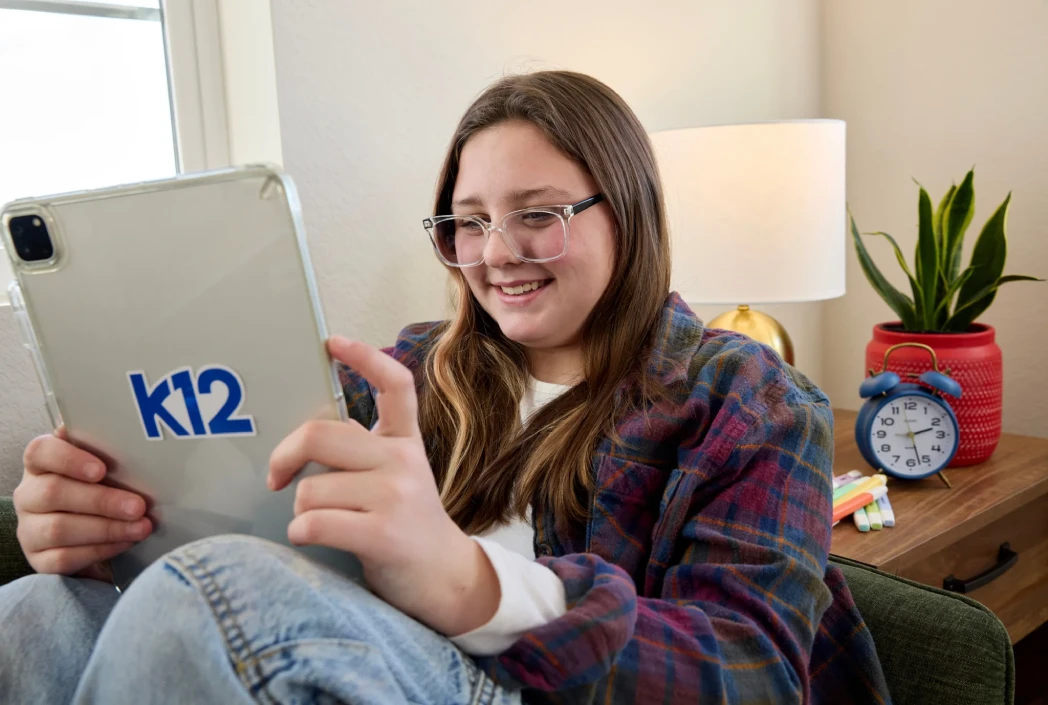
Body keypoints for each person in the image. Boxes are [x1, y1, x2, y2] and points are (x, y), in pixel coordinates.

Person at [0, 71, 890, 704]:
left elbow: (755, 675)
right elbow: (283, 544)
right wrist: (112, 524)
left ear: (632, 210)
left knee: (223, 590)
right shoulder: (411, 375)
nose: (496, 253)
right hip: (368, 671)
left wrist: (472, 586)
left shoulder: (749, 402)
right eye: (468, 223)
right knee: (35, 611)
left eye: (537, 214)